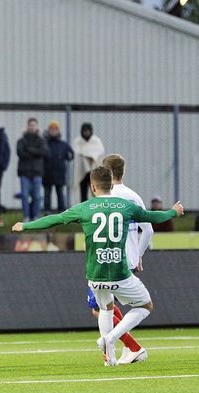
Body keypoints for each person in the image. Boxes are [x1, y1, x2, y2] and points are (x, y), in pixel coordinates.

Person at [12, 166, 183, 366]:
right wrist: (173, 211)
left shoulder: (85, 207)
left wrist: (26, 226)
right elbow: (154, 217)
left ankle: (109, 359)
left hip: (95, 275)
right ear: (111, 184)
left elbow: (55, 219)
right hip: (119, 273)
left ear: (93, 186)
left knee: (105, 308)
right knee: (145, 305)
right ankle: (110, 338)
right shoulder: (125, 206)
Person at [79, 153, 155, 364]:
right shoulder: (134, 196)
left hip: (108, 259)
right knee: (109, 306)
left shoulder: (105, 198)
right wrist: (138, 255)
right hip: (128, 260)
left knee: (101, 308)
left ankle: (125, 348)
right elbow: (148, 231)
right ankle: (126, 348)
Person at [16, 118, 47, 222]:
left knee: (37, 196)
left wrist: (28, 149)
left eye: (34, 125)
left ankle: (36, 216)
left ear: (37, 126)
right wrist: (35, 152)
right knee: (25, 196)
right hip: (24, 172)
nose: (32, 127)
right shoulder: (21, 140)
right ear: (27, 126)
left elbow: (42, 152)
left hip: (37, 172)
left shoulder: (41, 140)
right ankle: (26, 216)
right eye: (30, 125)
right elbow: (20, 153)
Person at [43, 121, 74, 214]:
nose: (53, 131)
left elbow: (71, 154)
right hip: (46, 173)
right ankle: (47, 211)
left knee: (60, 193)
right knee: (47, 194)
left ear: (58, 131)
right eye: (51, 129)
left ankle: (62, 211)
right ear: (48, 131)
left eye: (55, 129)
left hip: (59, 174)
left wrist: (68, 156)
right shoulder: (44, 143)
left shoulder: (63, 144)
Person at [72, 122, 104, 203]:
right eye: (84, 131)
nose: (86, 132)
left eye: (88, 131)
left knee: (96, 191)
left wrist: (89, 155)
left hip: (93, 170)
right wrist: (88, 154)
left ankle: (98, 207)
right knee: (83, 193)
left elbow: (99, 152)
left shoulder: (96, 141)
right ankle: (84, 210)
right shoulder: (78, 141)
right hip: (81, 170)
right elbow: (77, 152)